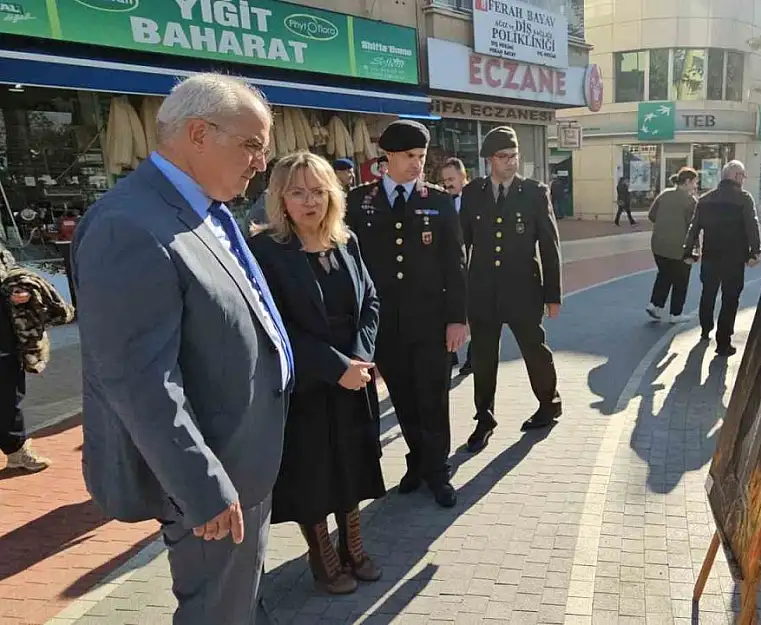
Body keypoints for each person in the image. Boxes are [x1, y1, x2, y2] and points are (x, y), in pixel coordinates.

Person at [73, 74, 292, 624]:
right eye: (251, 145)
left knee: (238, 603)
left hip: (244, 456)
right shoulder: (129, 224)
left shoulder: (205, 206)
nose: (260, 163)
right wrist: (203, 486)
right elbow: (140, 380)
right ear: (198, 133)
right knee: (217, 613)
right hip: (210, 479)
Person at [247, 152, 384, 594]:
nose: (310, 202)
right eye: (298, 192)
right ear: (280, 199)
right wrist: (334, 366)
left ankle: (353, 544)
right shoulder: (267, 250)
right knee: (313, 470)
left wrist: (358, 359)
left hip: (352, 377)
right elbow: (275, 326)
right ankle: (322, 554)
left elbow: (371, 303)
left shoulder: (346, 241)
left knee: (352, 462)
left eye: (319, 191)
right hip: (307, 382)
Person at [346, 120, 467, 508]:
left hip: (431, 322)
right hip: (385, 325)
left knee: (434, 399)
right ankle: (417, 463)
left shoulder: (438, 200)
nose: (418, 164)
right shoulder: (359, 201)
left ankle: (438, 471)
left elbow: (455, 264)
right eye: (410, 157)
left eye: (422, 156)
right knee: (403, 399)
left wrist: (457, 319)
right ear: (389, 157)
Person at [459, 126, 563, 453]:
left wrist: (553, 295)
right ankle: (484, 418)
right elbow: (463, 246)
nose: (510, 162)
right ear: (490, 159)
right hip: (482, 292)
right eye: (503, 157)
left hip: (524, 291)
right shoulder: (472, 193)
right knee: (483, 358)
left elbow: (550, 246)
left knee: (535, 351)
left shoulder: (534, 192)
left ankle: (549, 403)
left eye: (514, 156)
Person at [1, 243, 69, 473]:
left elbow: (9, 271)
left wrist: (20, 292)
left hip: (6, 342)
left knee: (9, 399)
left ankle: (16, 451)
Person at [682, 160, 761, 357]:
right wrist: (755, 251)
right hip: (734, 257)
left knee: (708, 293)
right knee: (730, 298)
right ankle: (723, 342)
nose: (744, 179)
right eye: (742, 175)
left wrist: (688, 251)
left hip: (711, 255)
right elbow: (752, 225)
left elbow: (694, 226)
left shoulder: (706, 199)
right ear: (735, 176)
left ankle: (705, 328)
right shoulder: (744, 198)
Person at [646, 167, 698, 324]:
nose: (696, 186)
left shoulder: (664, 194)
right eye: (695, 182)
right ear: (687, 182)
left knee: (664, 274)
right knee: (681, 280)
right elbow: (693, 227)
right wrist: (694, 250)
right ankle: (676, 313)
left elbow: (651, 215)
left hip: (658, 244)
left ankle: (655, 305)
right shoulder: (690, 201)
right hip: (679, 247)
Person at [440, 157, 473, 375]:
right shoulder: (440, 201)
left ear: (463, 176)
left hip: (472, 268)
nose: (447, 184)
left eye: (451, 179)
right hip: (447, 271)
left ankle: (473, 359)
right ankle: (449, 355)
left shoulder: (475, 200)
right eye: (444, 181)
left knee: (475, 318)